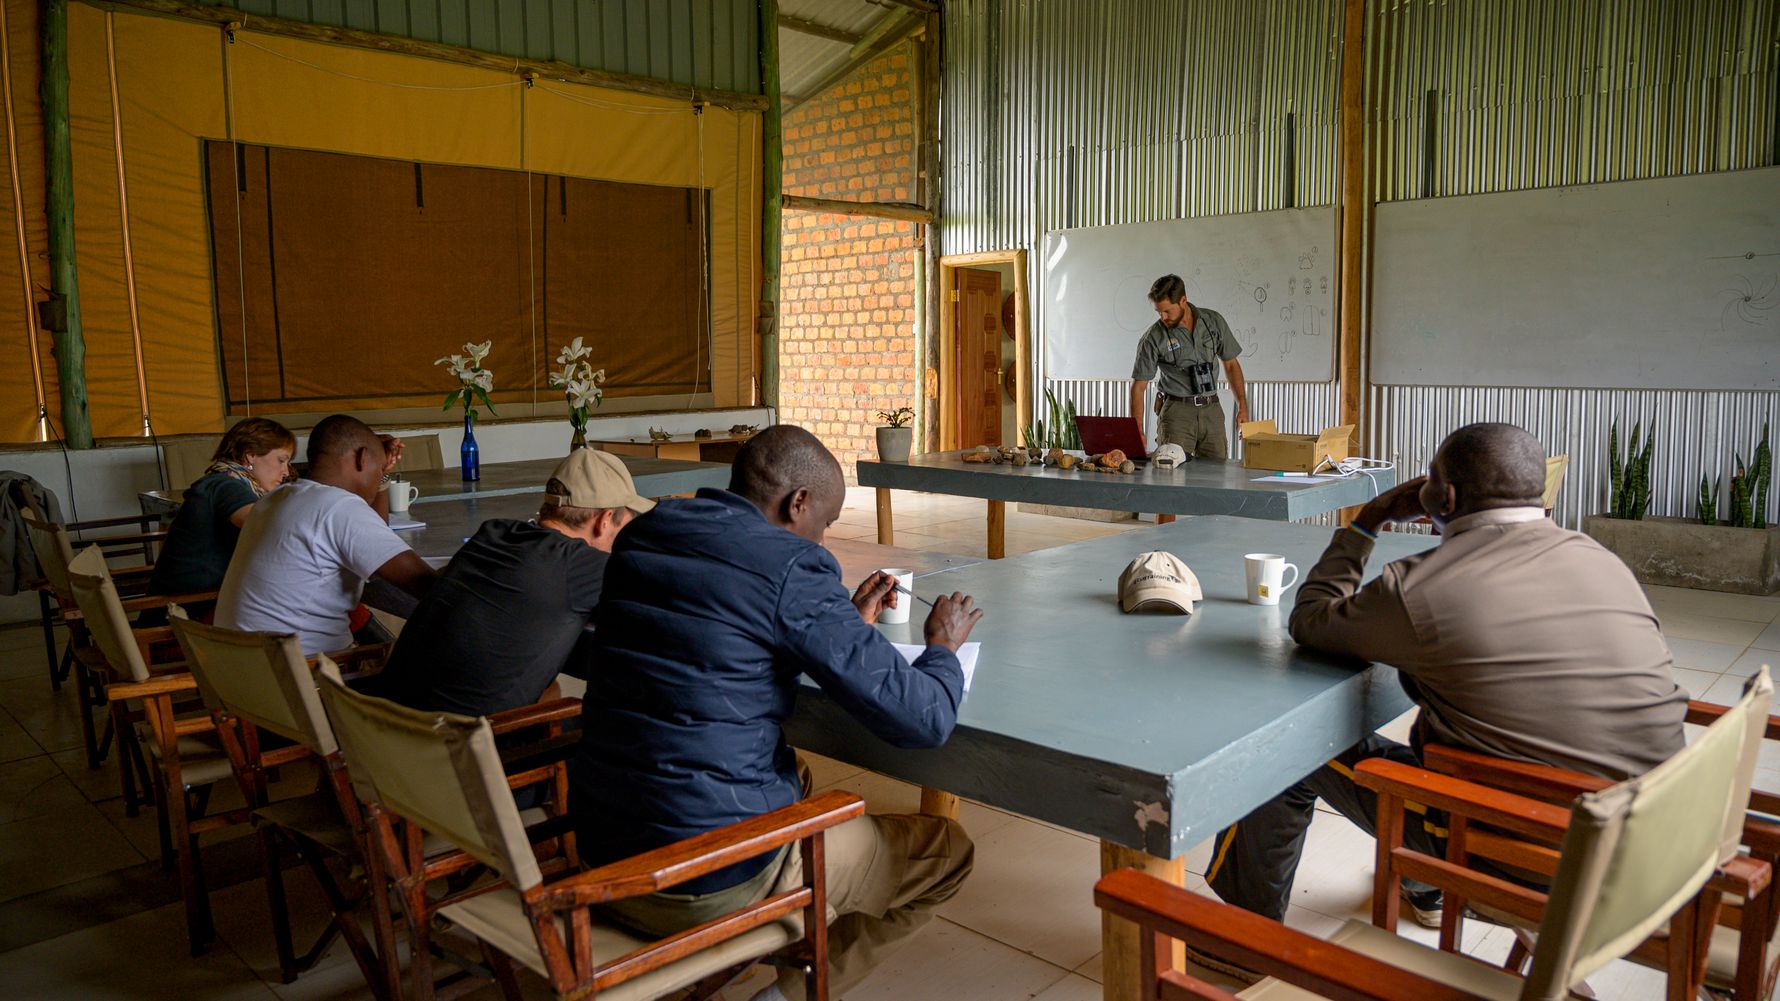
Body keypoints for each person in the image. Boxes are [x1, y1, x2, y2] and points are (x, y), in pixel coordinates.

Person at [1203, 422, 1687, 950]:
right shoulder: (1600, 560)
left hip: (1531, 854)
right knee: (1454, 732)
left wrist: (1370, 519)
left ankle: (1242, 940)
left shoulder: (1421, 588)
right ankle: (1427, 889)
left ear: (1442, 496)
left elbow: (1311, 621)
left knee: (1287, 751)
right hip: (1653, 837)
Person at [569, 425, 982, 1001]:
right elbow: (923, 719)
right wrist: (942, 647)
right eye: (826, 523)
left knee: (798, 776)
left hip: (600, 846)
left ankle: (784, 928)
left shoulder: (646, 532)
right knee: (946, 852)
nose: (822, 539)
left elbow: (718, 631)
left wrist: (841, 623)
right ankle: (786, 992)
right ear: (798, 503)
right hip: (704, 876)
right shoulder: (792, 565)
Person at [362, 449, 653, 716]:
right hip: (459, 758)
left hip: (387, 737)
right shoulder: (582, 566)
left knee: (548, 689)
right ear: (605, 521)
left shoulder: (493, 532)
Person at [214, 415, 433, 656]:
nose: (379, 477)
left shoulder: (277, 498)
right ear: (362, 458)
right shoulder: (339, 508)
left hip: (241, 674)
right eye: (379, 469)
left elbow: (374, 535)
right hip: (304, 680)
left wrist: (379, 472)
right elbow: (429, 586)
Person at [147, 418, 297, 604]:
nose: (286, 471)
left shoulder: (223, 480)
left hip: (195, 598)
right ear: (251, 455)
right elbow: (264, 528)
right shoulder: (225, 485)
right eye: (281, 460)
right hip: (186, 608)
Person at [1128, 274, 1248, 460]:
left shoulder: (1213, 321)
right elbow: (1138, 387)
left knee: (1216, 476)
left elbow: (1231, 365)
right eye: (1159, 312)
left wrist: (1243, 406)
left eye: (1167, 311)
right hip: (1176, 413)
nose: (1163, 317)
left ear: (1183, 300)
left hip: (1212, 411)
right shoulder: (1153, 338)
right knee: (1171, 477)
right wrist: (1137, 432)